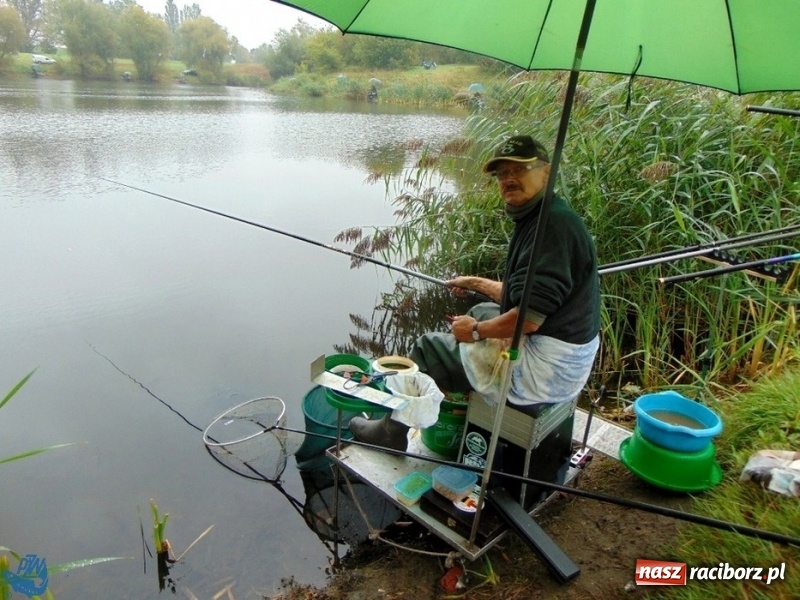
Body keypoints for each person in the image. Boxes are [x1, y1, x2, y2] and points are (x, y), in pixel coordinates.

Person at [350, 134, 601, 450]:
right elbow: (525, 296)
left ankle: (391, 432)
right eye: (501, 174)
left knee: (429, 347)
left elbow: (528, 321)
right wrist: (474, 284)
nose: (508, 179)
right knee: (481, 310)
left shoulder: (550, 230)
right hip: (568, 353)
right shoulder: (549, 216)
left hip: (548, 370)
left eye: (519, 169)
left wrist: (476, 333)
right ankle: (457, 389)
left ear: (546, 172)